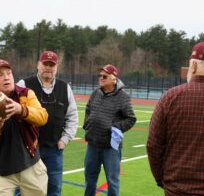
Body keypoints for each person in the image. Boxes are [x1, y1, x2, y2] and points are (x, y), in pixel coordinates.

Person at [0, 59, 49, 196]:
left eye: (9, 73)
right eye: (0, 75)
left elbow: (42, 117)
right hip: (1, 171)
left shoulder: (26, 94)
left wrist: (20, 110)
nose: (6, 77)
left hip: (30, 165)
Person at [16, 51, 79, 196]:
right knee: (23, 190)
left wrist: (64, 140)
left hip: (53, 150)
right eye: (45, 64)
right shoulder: (24, 85)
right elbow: (14, 114)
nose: (48, 68)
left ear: (57, 67)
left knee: (54, 189)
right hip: (28, 149)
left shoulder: (65, 88)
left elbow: (73, 116)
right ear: (38, 64)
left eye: (52, 65)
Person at [147, 42, 204, 196]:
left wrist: (162, 180)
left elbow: (153, 145)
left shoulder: (171, 97)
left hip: (177, 189)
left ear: (192, 67)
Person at [83, 64, 136, 196]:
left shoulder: (122, 96)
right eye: (100, 75)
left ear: (114, 79)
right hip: (93, 145)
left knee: (112, 182)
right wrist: (87, 125)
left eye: (105, 76)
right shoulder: (96, 92)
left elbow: (131, 118)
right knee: (89, 180)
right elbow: (88, 110)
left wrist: (115, 128)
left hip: (110, 148)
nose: (101, 78)